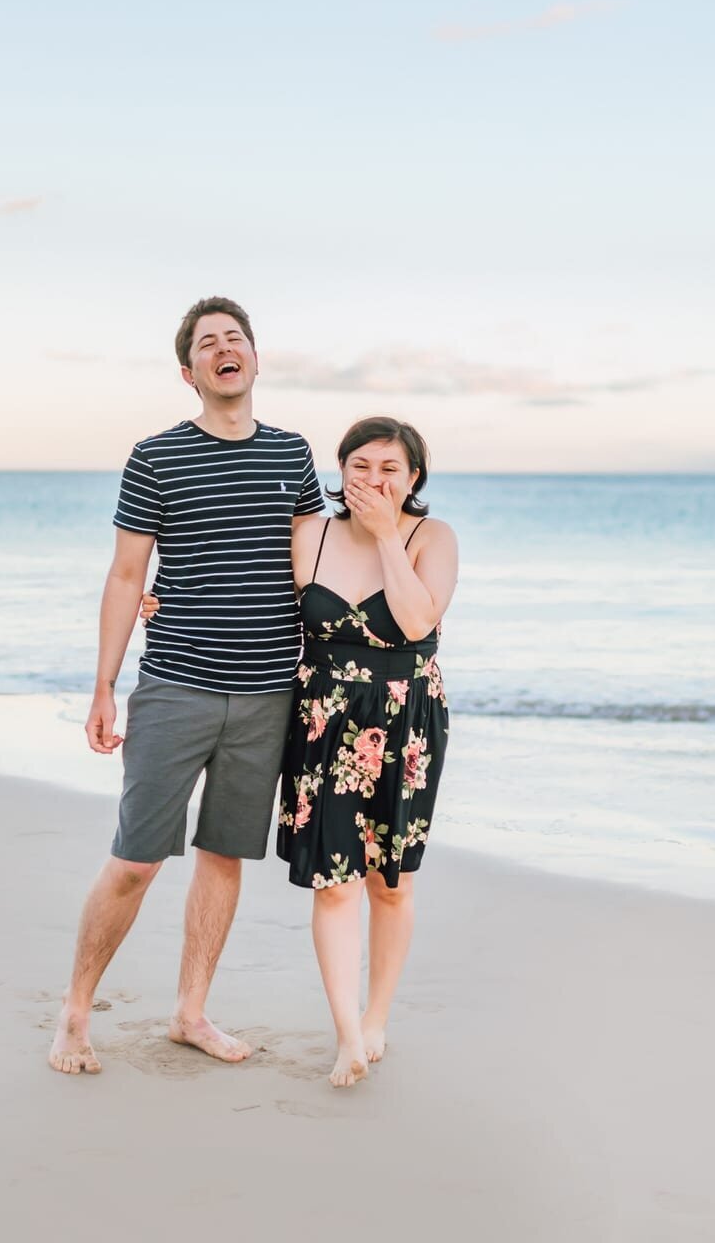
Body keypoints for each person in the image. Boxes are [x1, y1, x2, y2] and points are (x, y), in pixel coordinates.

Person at [48, 296, 325, 1075]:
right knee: (137, 858)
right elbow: (127, 573)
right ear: (190, 371)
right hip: (175, 685)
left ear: (255, 360)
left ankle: (190, 1012)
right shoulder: (156, 457)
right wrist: (104, 685)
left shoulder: (293, 455)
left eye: (235, 337)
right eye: (209, 342)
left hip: (269, 692)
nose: (224, 348)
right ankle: (74, 1013)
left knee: (225, 855)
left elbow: (318, 562)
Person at [277, 417, 458, 1087]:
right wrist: (166, 601)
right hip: (323, 720)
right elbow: (254, 604)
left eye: (390, 468)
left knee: (391, 883)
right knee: (333, 885)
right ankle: (347, 1033)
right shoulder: (311, 533)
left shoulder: (432, 537)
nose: (373, 480)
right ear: (340, 468)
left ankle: (377, 1015)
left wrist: (386, 537)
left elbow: (416, 621)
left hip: (406, 722)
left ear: (413, 478)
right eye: (360, 465)